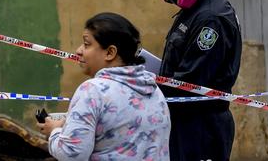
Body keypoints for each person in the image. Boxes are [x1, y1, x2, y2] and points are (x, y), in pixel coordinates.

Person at [157, 0, 242, 161]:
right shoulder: (193, 10)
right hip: (183, 126)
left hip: (201, 130)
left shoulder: (211, 18)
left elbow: (189, 85)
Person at [38, 12, 170, 160]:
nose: (78, 50)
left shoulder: (92, 90)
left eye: (87, 44)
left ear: (110, 52)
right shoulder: (154, 89)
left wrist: (55, 131)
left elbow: (71, 154)